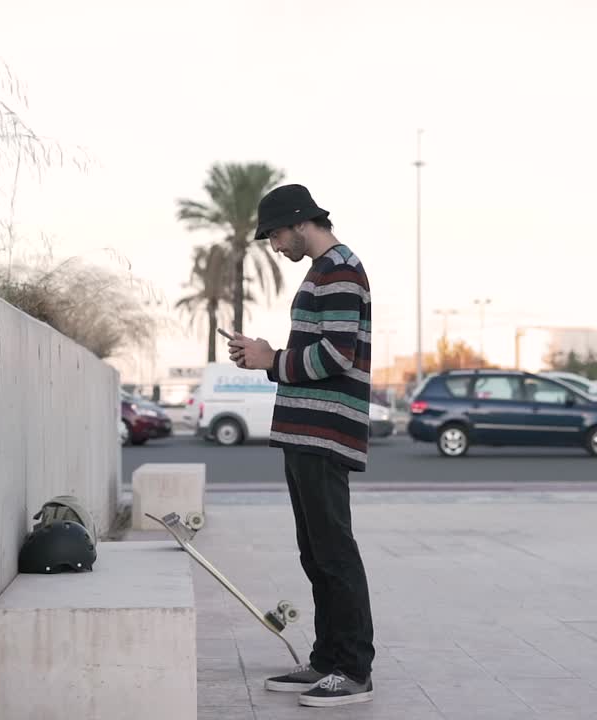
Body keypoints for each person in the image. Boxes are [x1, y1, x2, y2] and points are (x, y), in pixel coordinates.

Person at [227, 183, 375, 708]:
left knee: (333, 552)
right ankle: (327, 659)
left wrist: (272, 359)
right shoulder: (323, 271)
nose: (274, 246)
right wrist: (268, 358)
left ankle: (354, 670)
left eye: (274, 235)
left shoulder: (339, 269)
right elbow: (319, 353)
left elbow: (335, 355)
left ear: (299, 222)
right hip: (306, 429)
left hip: (324, 431)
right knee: (316, 553)